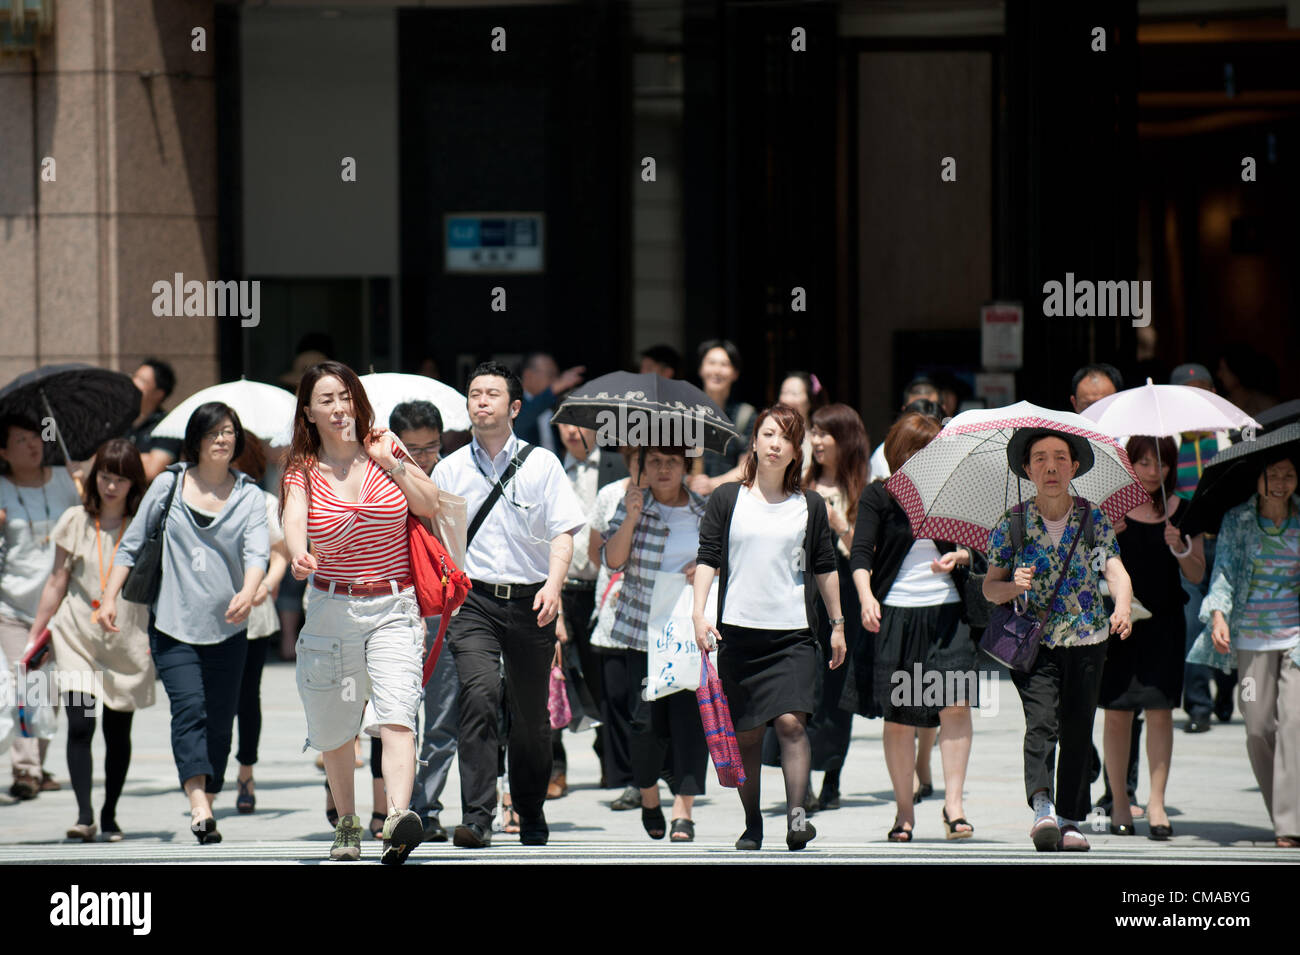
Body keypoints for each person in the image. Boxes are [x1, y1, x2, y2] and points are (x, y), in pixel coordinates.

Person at [280, 362, 441, 864]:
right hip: (332, 607)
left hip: (394, 605)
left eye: (345, 396)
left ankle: (395, 817)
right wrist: (298, 554)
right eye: (325, 399)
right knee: (336, 727)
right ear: (308, 411)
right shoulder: (301, 469)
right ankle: (347, 823)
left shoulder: (385, 447)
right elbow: (292, 520)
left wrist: (392, 461)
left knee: (398, 712)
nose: (338, 407)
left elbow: (430, 503)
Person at [99, 402, 269, 845]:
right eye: (214, 432)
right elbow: (132, 545)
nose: (222, 439)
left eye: (229, 431)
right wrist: (109, 598)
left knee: (220, 723)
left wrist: (249, 592)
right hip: (173, 627)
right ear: (196, 439)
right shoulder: (168, 484)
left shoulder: (250, 495)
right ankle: (199, 804)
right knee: (189, 710)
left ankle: (208, 792)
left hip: (230, 630)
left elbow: (257, 553)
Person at [432, 361, 587, 848]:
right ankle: (477, 816)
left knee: (530, 717)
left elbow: (564, 531)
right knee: (478, 696)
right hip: (473, 601)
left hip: (531, 601)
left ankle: (529, 807)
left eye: (491, 394)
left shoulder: (542, 464)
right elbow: (436, 541)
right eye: (474, 393)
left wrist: (554, 586)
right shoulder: (450, 468)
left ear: (514, 407)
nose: (480, 401)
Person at [692, 404, 846, 851]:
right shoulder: (727, 499)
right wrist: (699, 613)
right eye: (768, 434)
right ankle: (752, 822)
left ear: (797, 452)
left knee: (793, 724)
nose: (776, 444)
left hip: (794, 635)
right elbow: (708, 557)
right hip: (737, 634)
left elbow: (824, 566)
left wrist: (836, 624)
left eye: (786, 438)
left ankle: (798, 818)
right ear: (754, 442)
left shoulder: (809, 505)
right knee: (747, 734)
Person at [983, 428, 1133, 852]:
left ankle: (1070, 820)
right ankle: (1042, 807)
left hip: (1089, 639)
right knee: (1042, 723)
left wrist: (1122, 604)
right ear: (1027, 469)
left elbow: (1114, 568)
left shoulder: (1092, 518)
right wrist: (1013, 584)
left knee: (1078, 728)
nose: (1051, 466)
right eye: (1041, 458)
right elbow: (989, 589)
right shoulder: (1012, 522)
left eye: (1060, 457)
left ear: (1074, 466)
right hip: (1034, 643)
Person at [851, 412, 978, 841]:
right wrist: (867, 596)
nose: (926, 460)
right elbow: (861, 554)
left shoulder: (955, 493)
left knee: (955, 706)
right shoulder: (879, 496)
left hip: (947, 611)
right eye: (918, 452)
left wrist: (959, 557)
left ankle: (954, 807)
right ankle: (904, 813)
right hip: (897, 613)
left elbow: (981, 546)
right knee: (900, 717)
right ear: (900, 453)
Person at [22, 439, 154, 841]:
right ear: (94, 478)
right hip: (77, 637)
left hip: (126, 641)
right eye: (105, 477)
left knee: (118, 733)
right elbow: (57, 580)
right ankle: (84, 816)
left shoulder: (144, 527)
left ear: (134, 484)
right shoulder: (75, 520)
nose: (111, 486)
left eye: (120, 479)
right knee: (80, 726)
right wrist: (35, 634)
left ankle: (110, 813)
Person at [1187, 452, 1300, 848]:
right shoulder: (1238, 519)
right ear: (1258, 480)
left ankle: (1289, 824)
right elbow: (1223, 574)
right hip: (1250, 640)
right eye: (1273, 475)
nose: (1282, 483)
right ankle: (1284, 809)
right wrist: (1218, 616)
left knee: (1294, 725)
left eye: (1289, 475)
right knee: (1256, 728)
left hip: (1295, 641)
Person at [1099, 436, 1205, 840]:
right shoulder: (1112, 509)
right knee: (1117, 711)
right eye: (1142, 463)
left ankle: (1157, 802)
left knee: (1161, 711)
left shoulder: (1181, 511)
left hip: (1164, 622)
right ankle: (1120, 802)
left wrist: (1180, 548)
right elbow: (1091, 565)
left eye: (1159, 464)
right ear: (1130, 464)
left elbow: (1196, 575)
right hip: (1120, 622)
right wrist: (1106, 534)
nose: (1150, 471)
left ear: (1170, 468)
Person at [602, 446, 709, 841]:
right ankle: (649, 796)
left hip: (689, 635)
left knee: (688, 723)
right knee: (644, 724)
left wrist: (705, 568)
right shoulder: (633, 503)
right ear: (643, 467)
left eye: (672, 462)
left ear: (685, 467)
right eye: (655, 462)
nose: (664, 469)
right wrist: (630, 518)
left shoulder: (704, 510)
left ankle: (684, 810)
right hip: (642, 634)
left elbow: (724, 561)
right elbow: (612, 561)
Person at [0, 412, 83, 799]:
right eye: (20, 440)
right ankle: (26, 768)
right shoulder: (1, 489)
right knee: (27, 685)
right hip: (13, 607)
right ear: (3, 451)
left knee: (48, 690)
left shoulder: (66, 480)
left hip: (61, 608)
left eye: (35, 437)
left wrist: (85, 487)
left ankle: (37, 763)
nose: (33, 445)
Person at [388, 399, 459, 841]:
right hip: (392, 609)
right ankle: (389, 806)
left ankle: (425, 808)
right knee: (393, 715)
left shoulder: (453, 477)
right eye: (411, 448)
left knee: (441, 716)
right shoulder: (375, 482)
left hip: (441, 612)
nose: (423, 458)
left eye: (431, 447)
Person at [552, 422, 628, 797]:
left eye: (578, 423)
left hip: (602, 589)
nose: (570, 430)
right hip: (558, 588)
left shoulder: (618, 467)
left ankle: (612, 764)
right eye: (563, 422)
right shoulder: (547, 466)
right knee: (554, 678)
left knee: (604, 682)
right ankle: (555, 770)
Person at [803, 403, 869, 810]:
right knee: (802, 690)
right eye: (813, 432)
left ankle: (832, 779)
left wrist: (838, 520)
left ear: (844, 439)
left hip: (843, 598)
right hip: (802, 599)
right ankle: (801, 778)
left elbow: (866, 553)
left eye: (824, 433)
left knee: (837, 692)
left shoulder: (866, 489)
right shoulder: (799, 482)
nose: (816, 440)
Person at [1171, 363, 1238, 732]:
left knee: (1231, 624)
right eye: (1188, 390)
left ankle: (1227, 687)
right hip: (1186, 547)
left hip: (1226, 544)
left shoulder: (1232, 435)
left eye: (1204, 389)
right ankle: (1197, 705)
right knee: (1191, 624)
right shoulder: (1167, 441)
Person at [229, 436, 289, 816]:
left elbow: (280, 552)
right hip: (198, 616)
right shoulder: (188, 494)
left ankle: (245, 771)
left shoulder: (261, 501)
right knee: (206, 701)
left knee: (246, 697)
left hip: (252, 615)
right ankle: (207, 771)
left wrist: (266, 586)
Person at [590, 448, 643, 810]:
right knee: (617, 698)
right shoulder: (609, 495)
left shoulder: (679, 497)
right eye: (641, 458)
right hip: (612, 610)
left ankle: (650, 776)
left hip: (657, 616)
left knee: (650, 702)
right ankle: (628, 777)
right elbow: (596, 553)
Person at [688, 341, 757, 497]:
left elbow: (748, 466)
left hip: (729, 501)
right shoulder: (683, 412)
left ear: (735, 373)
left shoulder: (745, 416)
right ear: (701, 369)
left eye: (724, 364)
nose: (717, 370)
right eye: (711, 363)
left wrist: (712, 484)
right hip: (688, 500)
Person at [868, 378, 940, 482]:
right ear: (904, 411)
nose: (925, 417)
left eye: (932, 408)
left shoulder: (950, 450)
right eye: (917, 410)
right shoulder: (882, 456)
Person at [126, 358, 184, 482]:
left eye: (142, 380)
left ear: (158, 393)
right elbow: (98, 459)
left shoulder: (168, 425)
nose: (133, 382)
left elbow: (152, 470)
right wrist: (144, 458)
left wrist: (115, 456)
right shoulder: (120, 421)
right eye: (134, 376)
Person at [516, 352, 586, 454]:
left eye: (557, 376)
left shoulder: (554, 402)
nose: (555, 380)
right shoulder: (512, 401)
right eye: (551, 375)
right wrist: (554, 389)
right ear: (529, 375)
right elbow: (521, 422)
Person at [779, 371, 828, 468]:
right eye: (783, 392)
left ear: (810, 400)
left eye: (794, 394)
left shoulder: (818, 439)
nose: (786, 399)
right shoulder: (771, 435)